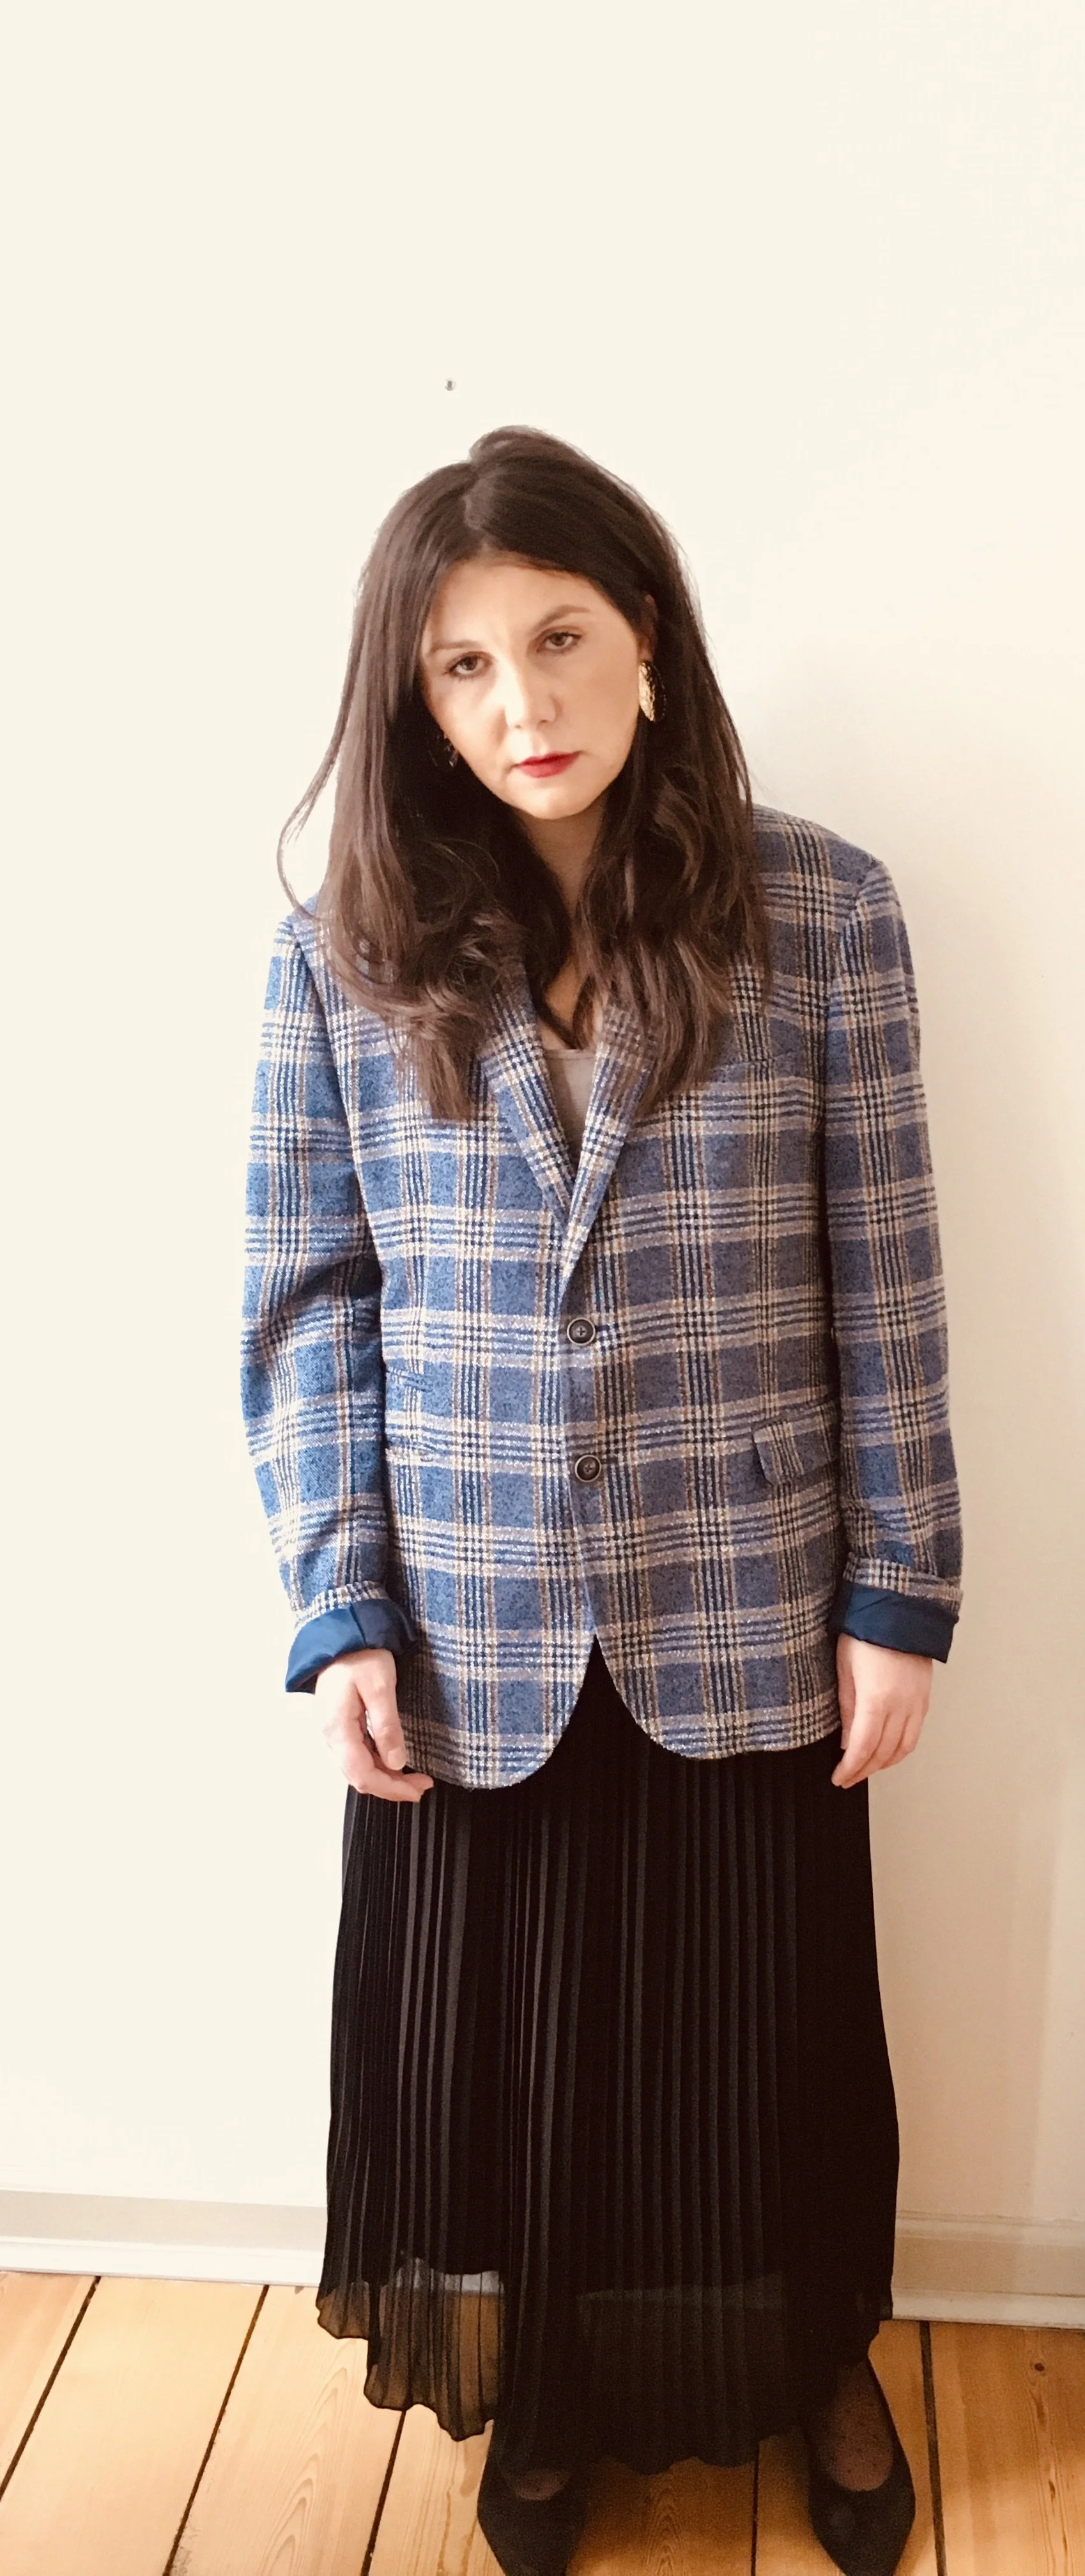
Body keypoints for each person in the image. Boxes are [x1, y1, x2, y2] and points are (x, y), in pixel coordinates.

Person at [240, 424, 962, 2576]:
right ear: (413, 694)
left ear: (645, 633)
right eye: (463, 666)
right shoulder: (345, 951)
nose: (523, 705)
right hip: (468, 1614)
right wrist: (339, 1604)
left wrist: (903, 1588)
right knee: (518, 2054)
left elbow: (886, 1271)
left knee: (767, 2034)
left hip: (750, 1588)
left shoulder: (822, 910)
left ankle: (815, 2358)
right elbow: (307, 1301)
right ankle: (546, 2384)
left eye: (559, 639)